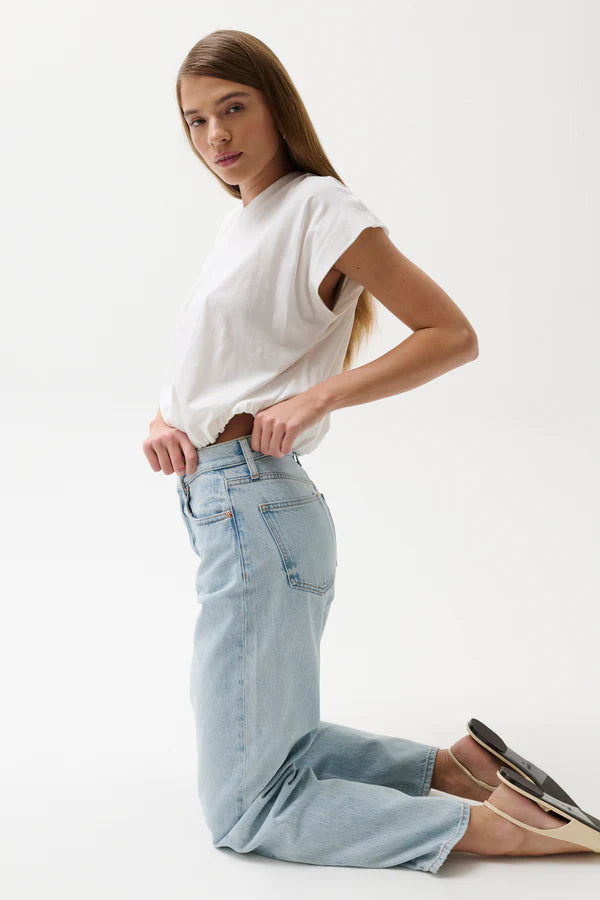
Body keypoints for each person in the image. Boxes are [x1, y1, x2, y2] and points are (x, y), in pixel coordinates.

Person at [142, 29, 595, 873]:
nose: (216, 137)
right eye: (196, 121)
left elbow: (451, 333)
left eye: (233, 109)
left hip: (256, 509)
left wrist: (318, 396)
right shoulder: (244, 221)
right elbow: (216, 369)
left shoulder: (319, 206)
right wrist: (164, 417)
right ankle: (461, 772)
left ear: (278, 106)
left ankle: (486, 831)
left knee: (243, 809)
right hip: (232, 505)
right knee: (278, 750)